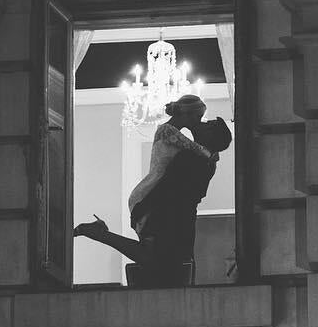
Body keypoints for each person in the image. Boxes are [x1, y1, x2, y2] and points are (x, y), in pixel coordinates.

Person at [74, 115, 232, 287]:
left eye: (208, 126)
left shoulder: (193, 157)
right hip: (173, 216)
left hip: (168, 215)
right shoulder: (204, 159)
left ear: (210, 137)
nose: (202, 122)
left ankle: (98, 233)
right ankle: (98, 233)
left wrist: (143, 208)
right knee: (161, 260)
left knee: (156, 258)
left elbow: (168, 185)